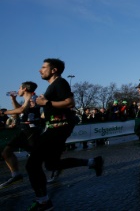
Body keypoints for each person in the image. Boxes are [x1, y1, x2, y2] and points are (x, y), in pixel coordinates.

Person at [26, 58, 104, 211]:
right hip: (55, 128)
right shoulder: (53, 86)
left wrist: (46, 103)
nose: (39, 70)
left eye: (43, 67)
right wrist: (43, 104)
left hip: (57, 129)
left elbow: (70, 102)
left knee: (32, 164)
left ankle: (43, 201)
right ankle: (93, 162)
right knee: (51, 164)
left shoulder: (60, 83)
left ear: (54, 70)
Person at [0, 82, 41, 189]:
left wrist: (4, 112)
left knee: (37, 158)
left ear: (24, 89)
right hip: (24, 131)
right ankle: (15, 174)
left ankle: (56, 165)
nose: (18, 90)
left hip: (31, 131)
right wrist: (13, 100)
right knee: (6, 152)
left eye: (19, 88)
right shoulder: (27, 100)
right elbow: (20, 110)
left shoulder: (33, 98)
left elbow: (22, 109)